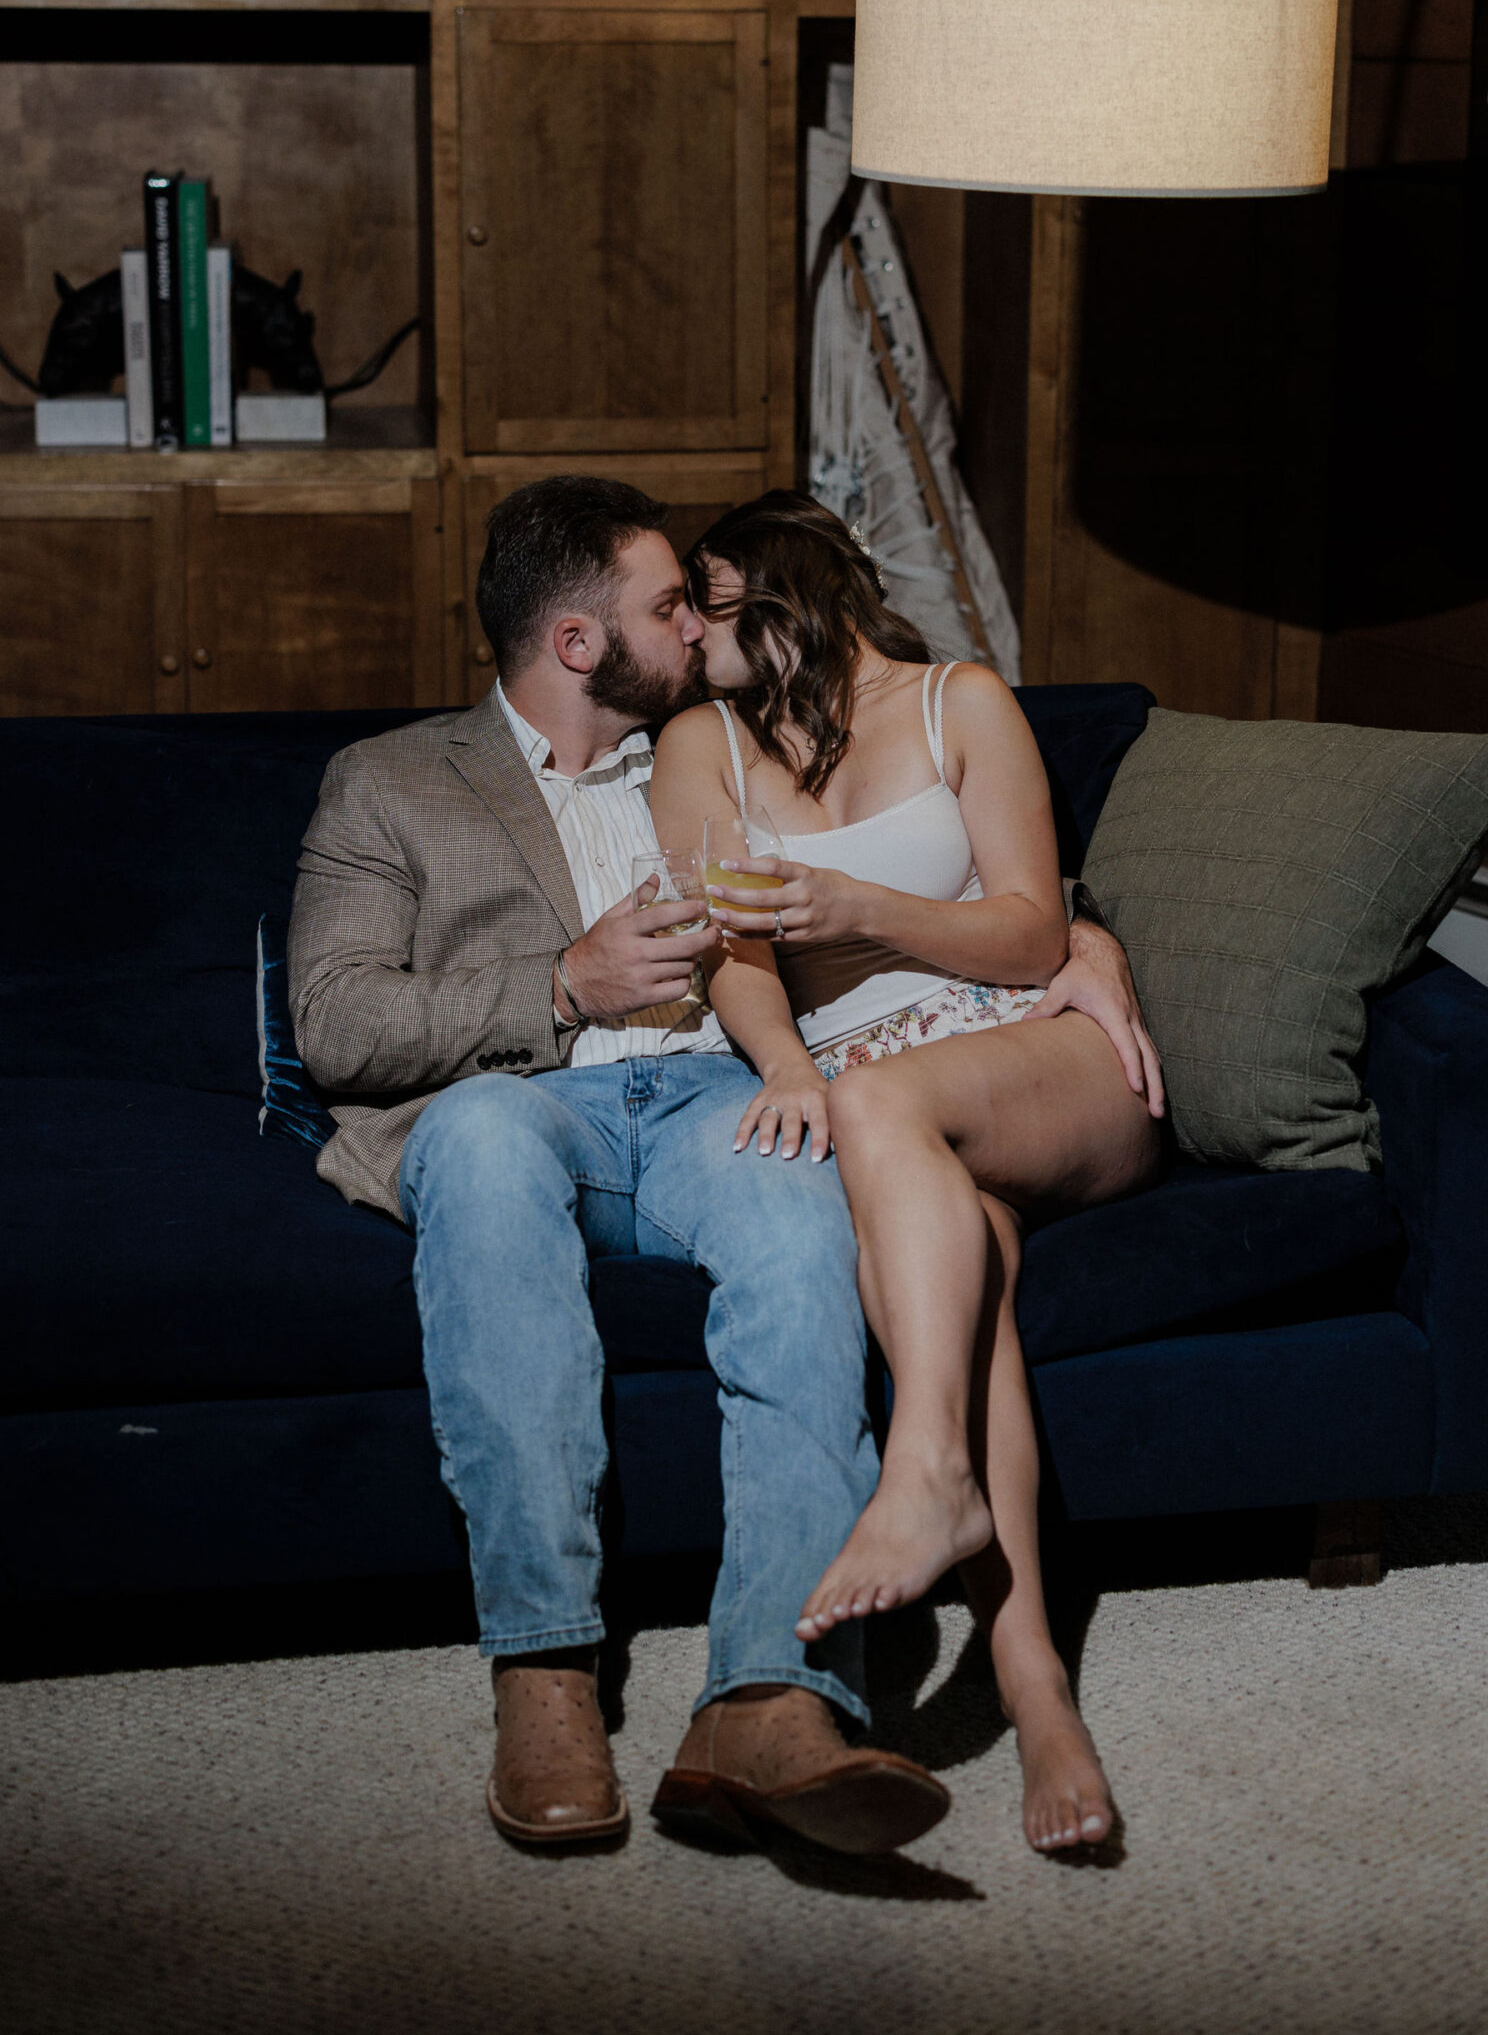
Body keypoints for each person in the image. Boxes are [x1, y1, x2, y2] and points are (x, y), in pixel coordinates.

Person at [288, 474, 1143, 1861]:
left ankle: (771, 1689)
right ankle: (548, 1669)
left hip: (715, 1099)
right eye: (668, 605)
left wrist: (1085, 942)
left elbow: (952, 864)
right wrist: (564, 981)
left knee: (809, 1210)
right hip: (523, 1096)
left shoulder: (718, 744)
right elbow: (332, 1020)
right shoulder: (390, 779)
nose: (698, 626)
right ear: (577, 642)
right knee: (487, 1148)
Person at [649, 492, 1168, 1856]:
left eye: (700, 604)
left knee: (890, 1106)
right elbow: (731, 953)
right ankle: (1034, 1681)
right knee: (970, 1269)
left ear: (777, 599)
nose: (682, 640)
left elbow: (1029, 931)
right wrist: (783, 1068)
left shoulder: (960, 705)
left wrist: (863, 910)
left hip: (1030, 1061)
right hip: (880, 1108)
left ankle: (927, 1471)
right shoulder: (699, 745)